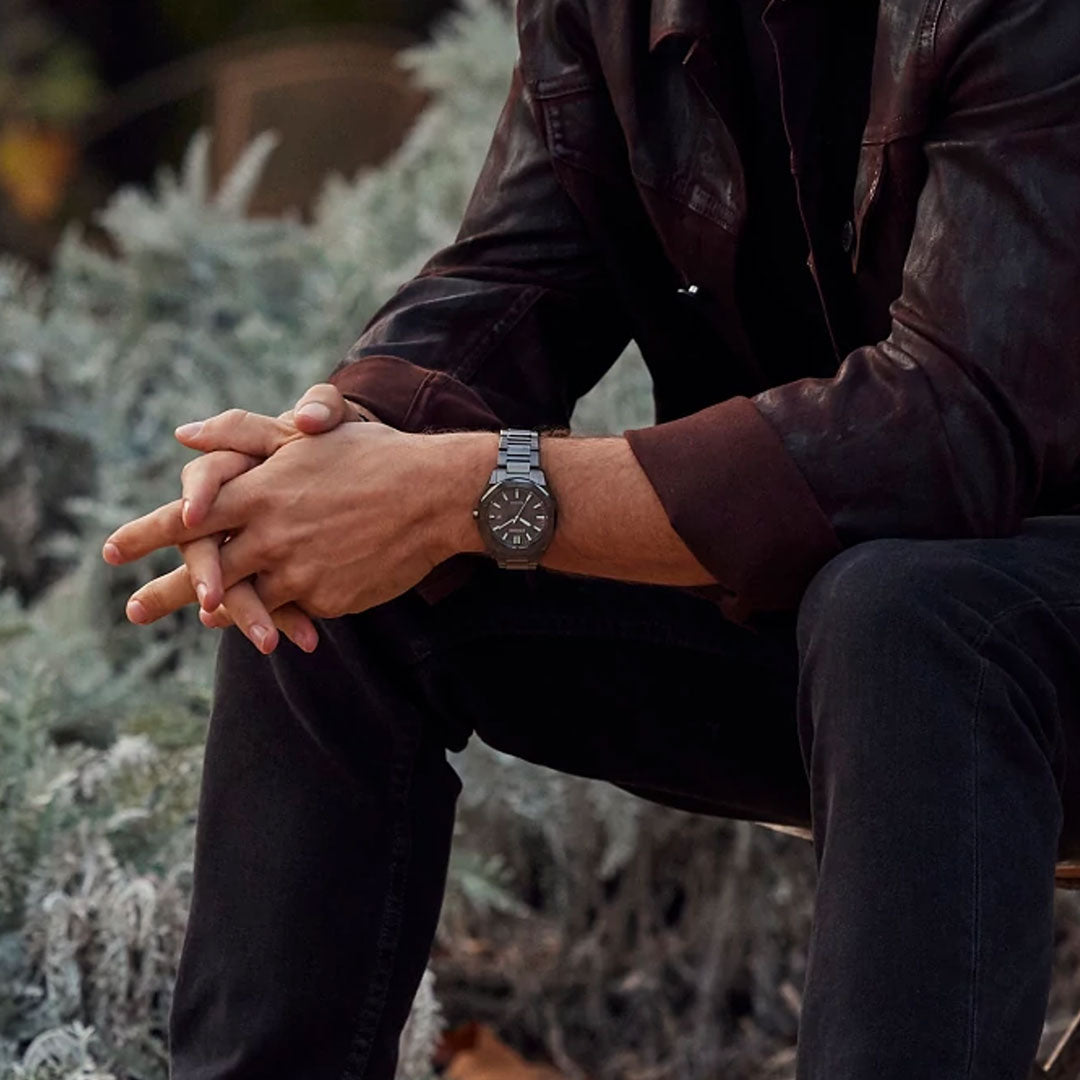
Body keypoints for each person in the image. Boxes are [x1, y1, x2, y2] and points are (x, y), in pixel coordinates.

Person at [102, 0, 1080, 1076]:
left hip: (993, 638)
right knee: (325, 564)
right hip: (823, 617)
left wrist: (473, 489)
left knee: (898, 609)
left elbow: (947, 432)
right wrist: (327, 452)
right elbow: (511, 285)